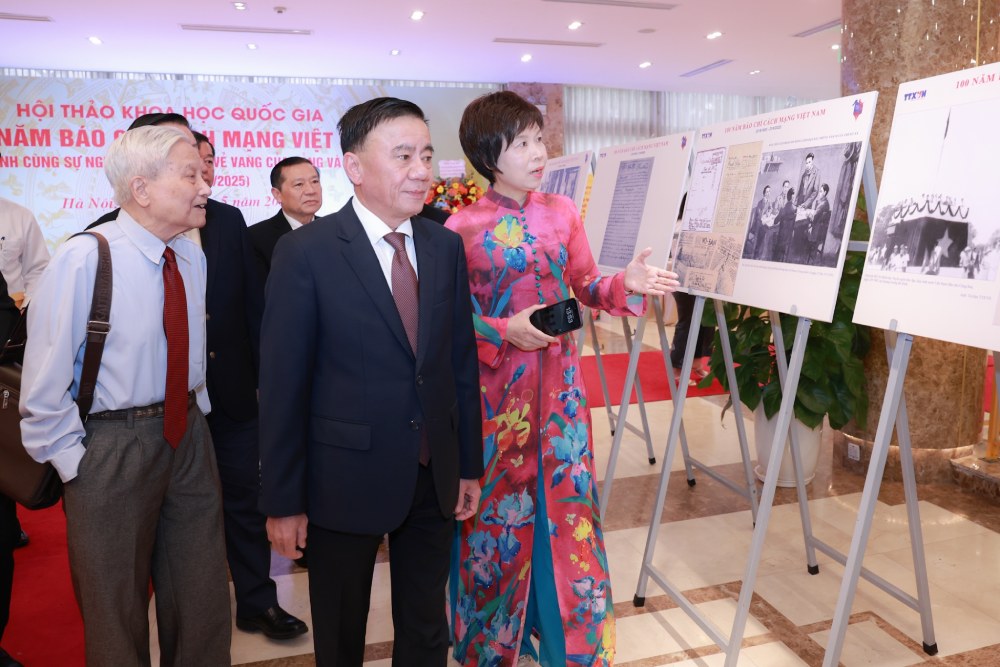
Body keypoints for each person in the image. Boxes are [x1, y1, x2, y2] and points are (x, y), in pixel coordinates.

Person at [445, 90, 679, 667]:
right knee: (498, 520)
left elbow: (587, 287)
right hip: (497, 401)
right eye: (521, 141)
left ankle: (573, 647)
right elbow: (449, 323)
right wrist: (504, 330)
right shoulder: (460, 228)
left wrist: (626, 283)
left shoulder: (562, 212)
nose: (538, 151)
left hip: (563, 400)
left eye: (539, 137)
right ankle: (491, 645)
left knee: (567, 513)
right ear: (487, 153)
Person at [258, 97, 483, 666]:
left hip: (433, 472)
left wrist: (469, 464)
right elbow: (283, 386)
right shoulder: (305, 253)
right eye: (403, 155)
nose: (422, 170)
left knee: (426, 626)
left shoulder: (443, 245)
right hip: (343, 479)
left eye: (427, 155)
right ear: (355, 167)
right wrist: (284, 501)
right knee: (340, 631)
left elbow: (458, 363)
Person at [20, 126, 232, 666]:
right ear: (142, 188)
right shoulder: (84, 258)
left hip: (188, 437)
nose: (205, 184)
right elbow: (42, 387)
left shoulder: (189, 256)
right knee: (115, 612)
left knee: (203, 596)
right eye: (191, 174)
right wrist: (77, 466)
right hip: (110, 446)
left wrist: (198, 422)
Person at [192, 132, 308, 640]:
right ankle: (193, 608)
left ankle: (257, 601)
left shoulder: (226, 220)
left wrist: (267, 381)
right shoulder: (111, 235)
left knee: (244, 498)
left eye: (209, 161)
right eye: (192, 162)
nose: (204, 171)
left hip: (233, 392)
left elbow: (252, 308)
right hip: (164, 400)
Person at [248, 156, 322, 278]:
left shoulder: (334, 231)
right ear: (277, 195)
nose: (311, 190)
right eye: (299, 184)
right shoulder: (256, 238)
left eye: (315, 181)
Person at [805, 183, 831, 264]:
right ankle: (809, 252)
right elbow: (818, 215)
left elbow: (814, 218)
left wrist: (808, 214)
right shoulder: (826, 202)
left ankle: (807, 253)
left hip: (817, 232)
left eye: (821, 191)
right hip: (821, 230)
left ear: (825, 193)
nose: (819, 193)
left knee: (803, 230)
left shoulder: (823, 204)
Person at [773, 187, 797, 263]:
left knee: (775, 239)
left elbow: (775, 221)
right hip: (789, 237)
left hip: (782, 238)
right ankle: (785, 259)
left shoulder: (783, 209)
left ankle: (776, 259)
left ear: (787, 197)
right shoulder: (795, 209)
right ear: (793, 198)